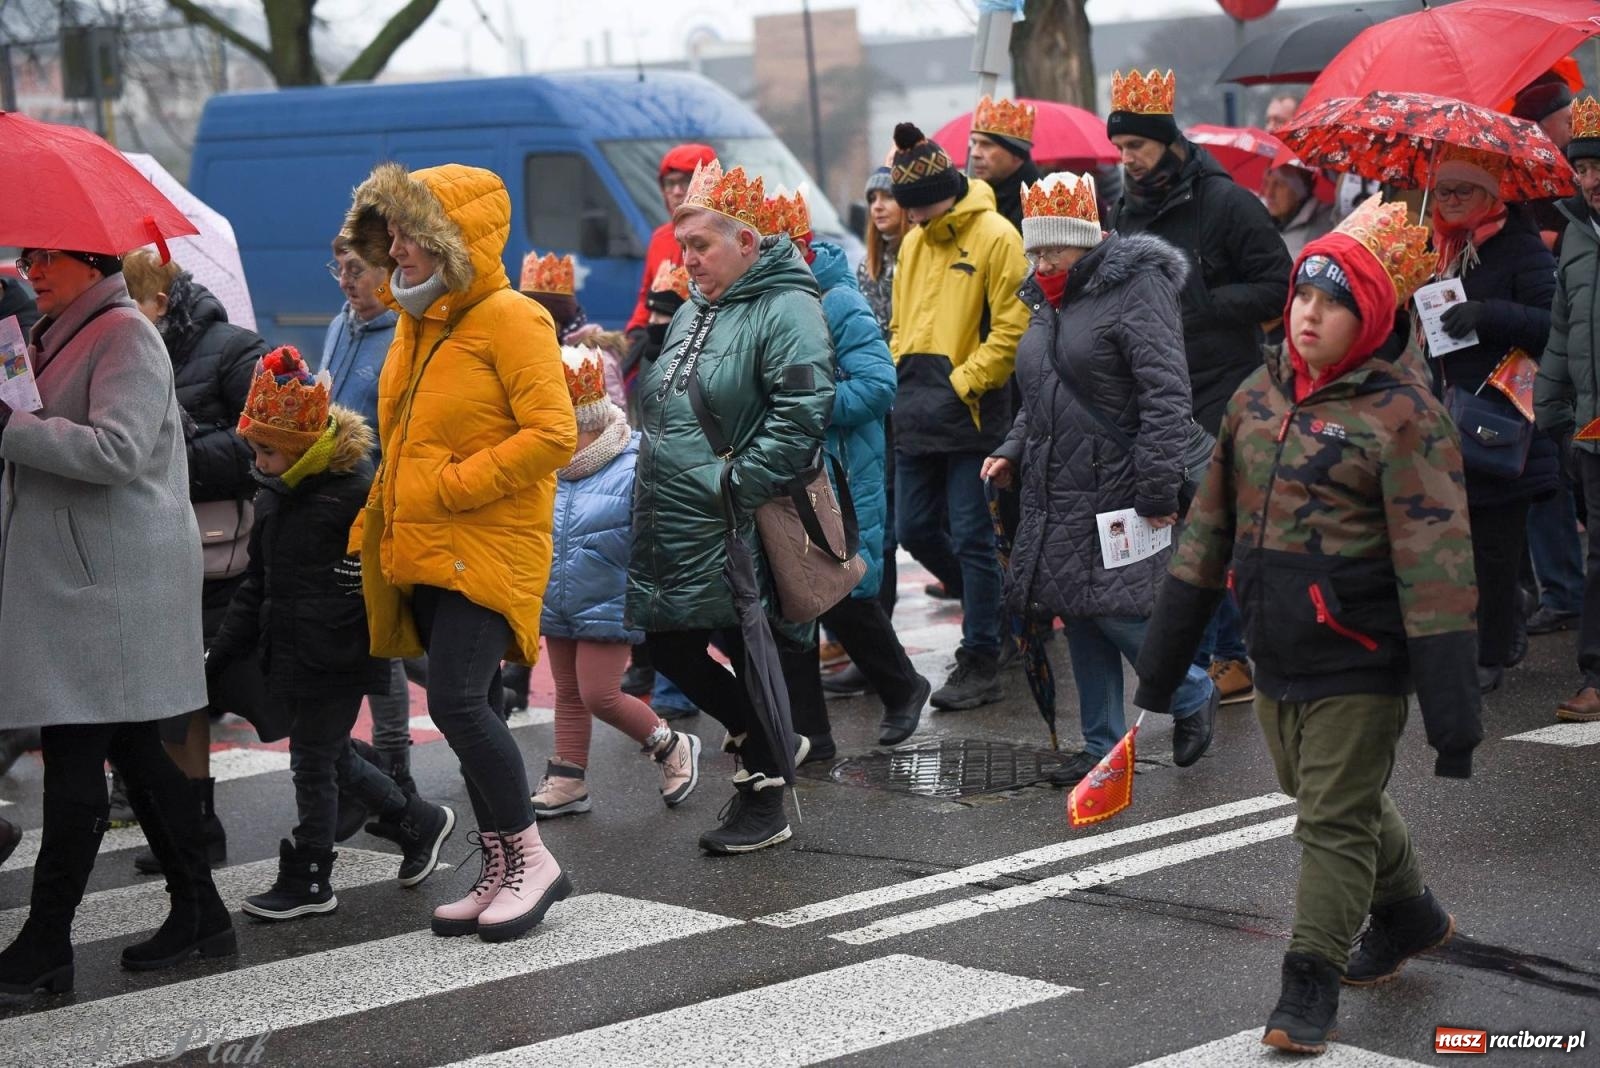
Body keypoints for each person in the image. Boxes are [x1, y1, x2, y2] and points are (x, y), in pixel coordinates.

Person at [1134, 198, 1481, 1054]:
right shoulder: (1256, 398)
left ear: (1369, 315)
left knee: (1328, 820)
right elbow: (1207, 529)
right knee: (1326, 794)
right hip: (1275, 644)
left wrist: (1451, 713)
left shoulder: (1404, 414)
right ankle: (1410, 912)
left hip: (1361, 654)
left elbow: (1438, 570)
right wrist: (1163, 661)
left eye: (1333, 302)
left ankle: (1308, 986)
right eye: (1302, 297)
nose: (1310, 314)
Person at [343, 161, 577, 942]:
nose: (399, 248)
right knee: (458, 702)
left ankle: (532, 861)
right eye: (393, 234)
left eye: (413, 233)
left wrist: (450, 486)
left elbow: (554, 434)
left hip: (488, 542)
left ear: (453, 239)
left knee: (456, 703)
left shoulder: (512, 317)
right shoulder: (420, 322)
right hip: (431, 547)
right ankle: (502, 862)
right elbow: (407, 441)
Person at [0, 247, 234, 994]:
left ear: (90, 257)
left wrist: (6, 427)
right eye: (27, 258)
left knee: (74, 753)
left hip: (112, 580)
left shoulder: (124, 333)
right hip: (80, 575)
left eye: (47, 258)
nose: (32, 269)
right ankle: (202, 912)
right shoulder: (52, 330)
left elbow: (119, 450)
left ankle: (46, 942)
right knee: (136, 751)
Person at [983, 172, 1218, 784]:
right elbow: (1039, 394)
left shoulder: (1137, 290)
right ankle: (1101, 747)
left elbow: (1167, 397)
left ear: (1087, 242)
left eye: (1051, 248)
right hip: (1056, 484)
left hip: (1121, 482)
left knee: (1121, 613)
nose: (1040, 261)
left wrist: (1158, 488)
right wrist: (1011, 449)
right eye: (1033, 250)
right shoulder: (1045, 300)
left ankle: (1190, 692)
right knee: (1075, 608)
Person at [627, 159, 834, 854]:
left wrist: (731, 486)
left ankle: (765, 795)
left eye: (701, 247)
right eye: (683, 248)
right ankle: (761, 740)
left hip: (733, 521)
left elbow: (802, 413)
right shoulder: (691, 307)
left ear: (747, 243)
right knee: (666, 642)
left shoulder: (789, 306)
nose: (687, 262)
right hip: (675, 517)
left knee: (749, 651)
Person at [206, 347, 457, 919]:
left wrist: (341, 640)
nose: (258, 460)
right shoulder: (276, 490)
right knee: (330, 751)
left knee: (313, 759)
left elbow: (373, 581)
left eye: (267, 450)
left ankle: (311, 876)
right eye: (256, 448)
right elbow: (258, 582)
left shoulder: (352, 493)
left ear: (300, 447)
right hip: (293, 648)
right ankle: (417, 820)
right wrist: (222, 653)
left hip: (339, 651)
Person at [1107, 69, 1293, 705]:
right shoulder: (1124, 204)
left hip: (1223, 382)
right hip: (1158, 383)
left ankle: (1232, 658)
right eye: (1121, 149)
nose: (1127, 159)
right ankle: (1214, 653)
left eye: (1137, 147)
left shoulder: (1226, 202)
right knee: (1185, 524)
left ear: (1168, 142)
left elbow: (1278, 284)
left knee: (1209, 522)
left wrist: (1203, 301)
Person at [121, 248, 270, 872]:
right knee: (181, 701)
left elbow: (264, 441)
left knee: (255, 690)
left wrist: (178, 443)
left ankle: (386, 800)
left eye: (130, 303)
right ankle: (196, 830)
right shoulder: (129, 351)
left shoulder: (234, 349)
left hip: (225, 562)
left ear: (159, 300)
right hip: (154, 549)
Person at [771, 190, 932, 745]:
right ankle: (811, 735)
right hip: (786, 473)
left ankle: (902, 685)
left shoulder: (837, 301)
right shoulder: (763, 306)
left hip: (838, 471)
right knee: (789, 603)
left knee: (840, 592)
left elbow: (877, 386)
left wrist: (802, 407)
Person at [888, 122, 1030, 710]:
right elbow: (901, 323)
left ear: (943, 192)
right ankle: (996, 615)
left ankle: (981, 655)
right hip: (916, 410)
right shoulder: (914, 242)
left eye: (919, 209)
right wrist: (901, 373)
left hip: (973, 414)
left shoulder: (997, 234)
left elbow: (1013, 327)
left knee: (973, 537)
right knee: (914, 529)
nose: (913, 221)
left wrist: (964, 382)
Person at [529, 345, 702, 817]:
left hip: (611, 599)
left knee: (599, 694)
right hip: (560, 600)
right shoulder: (546, 466)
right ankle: (567, 779)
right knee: (568, 692)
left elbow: (658, 533)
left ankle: (670, 745)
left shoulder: (631, 461)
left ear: (585, 418)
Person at [1423, 148, 1559, 693]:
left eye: (1463, 191)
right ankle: (1503, 620)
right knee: (1461, 545)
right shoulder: (1440, 251)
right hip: (1450, 415)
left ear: (1492, 196)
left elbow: (1555, 325)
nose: (1450, 201)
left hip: (1504, 421)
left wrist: (1487, 314)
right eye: (1444, 191)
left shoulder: (1521, 248)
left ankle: (1491, 652)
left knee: (1492, 547)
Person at [318, 236, 418, 832]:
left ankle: (397, 773)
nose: (345, 280)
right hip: (334, 502)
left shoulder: (401, 334)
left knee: (383, 640)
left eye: (357, 270)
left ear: (388, 271)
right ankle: (378, 776)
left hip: (378, 502)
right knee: (367, 637)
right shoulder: (340, 324)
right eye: (339, 269)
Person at [1534, 98, 1600, 722]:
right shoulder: (1576, 236)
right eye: (1583, 169)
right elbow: (1561, 331)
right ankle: (1597, 678)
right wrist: (1547, 406)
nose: (1593, 180)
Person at [624, 142, 720, 334]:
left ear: (709, 184)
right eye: (670, 183)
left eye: (686, 181)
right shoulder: (660, 238)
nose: (677, 191)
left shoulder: (726, 237)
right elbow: (646, 298)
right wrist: (635, 333)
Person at [968, 96, 1040, 232]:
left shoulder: (1041, 208)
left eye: (986, 144)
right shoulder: (970, 200)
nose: (975, 153)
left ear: (1016, 155)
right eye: (974, 143)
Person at [1262, 164, 1335, 259]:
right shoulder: (1264, 225)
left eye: (1279, 184)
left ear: (1299, 191)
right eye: (1266, 183)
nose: (1269, 194)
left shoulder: (1327, 224)